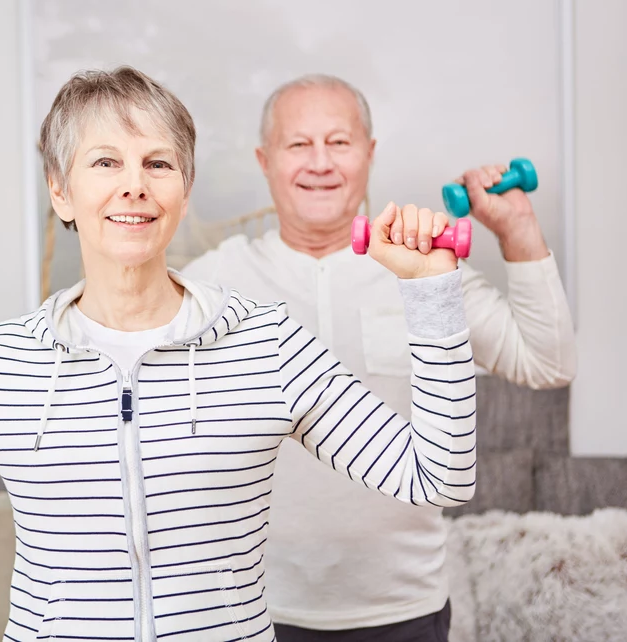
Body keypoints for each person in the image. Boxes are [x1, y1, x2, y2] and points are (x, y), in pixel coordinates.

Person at [0, 66, 477, 642]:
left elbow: (438, 477)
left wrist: (432, 292)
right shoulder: (3, 362)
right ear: (61, 191)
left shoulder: (268, 344)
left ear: (182, 191)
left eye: (157, 163)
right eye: (104, 162)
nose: (134, 185)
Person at [182, 74, 577, 642]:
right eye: (299, 145)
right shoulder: (213, 283)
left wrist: (517, 228)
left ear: (368, 154)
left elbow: (548, 363)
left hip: (403, 611)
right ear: (265, 161)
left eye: (339, 142)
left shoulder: (425, 272)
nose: (320, 162)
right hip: (249, 613)